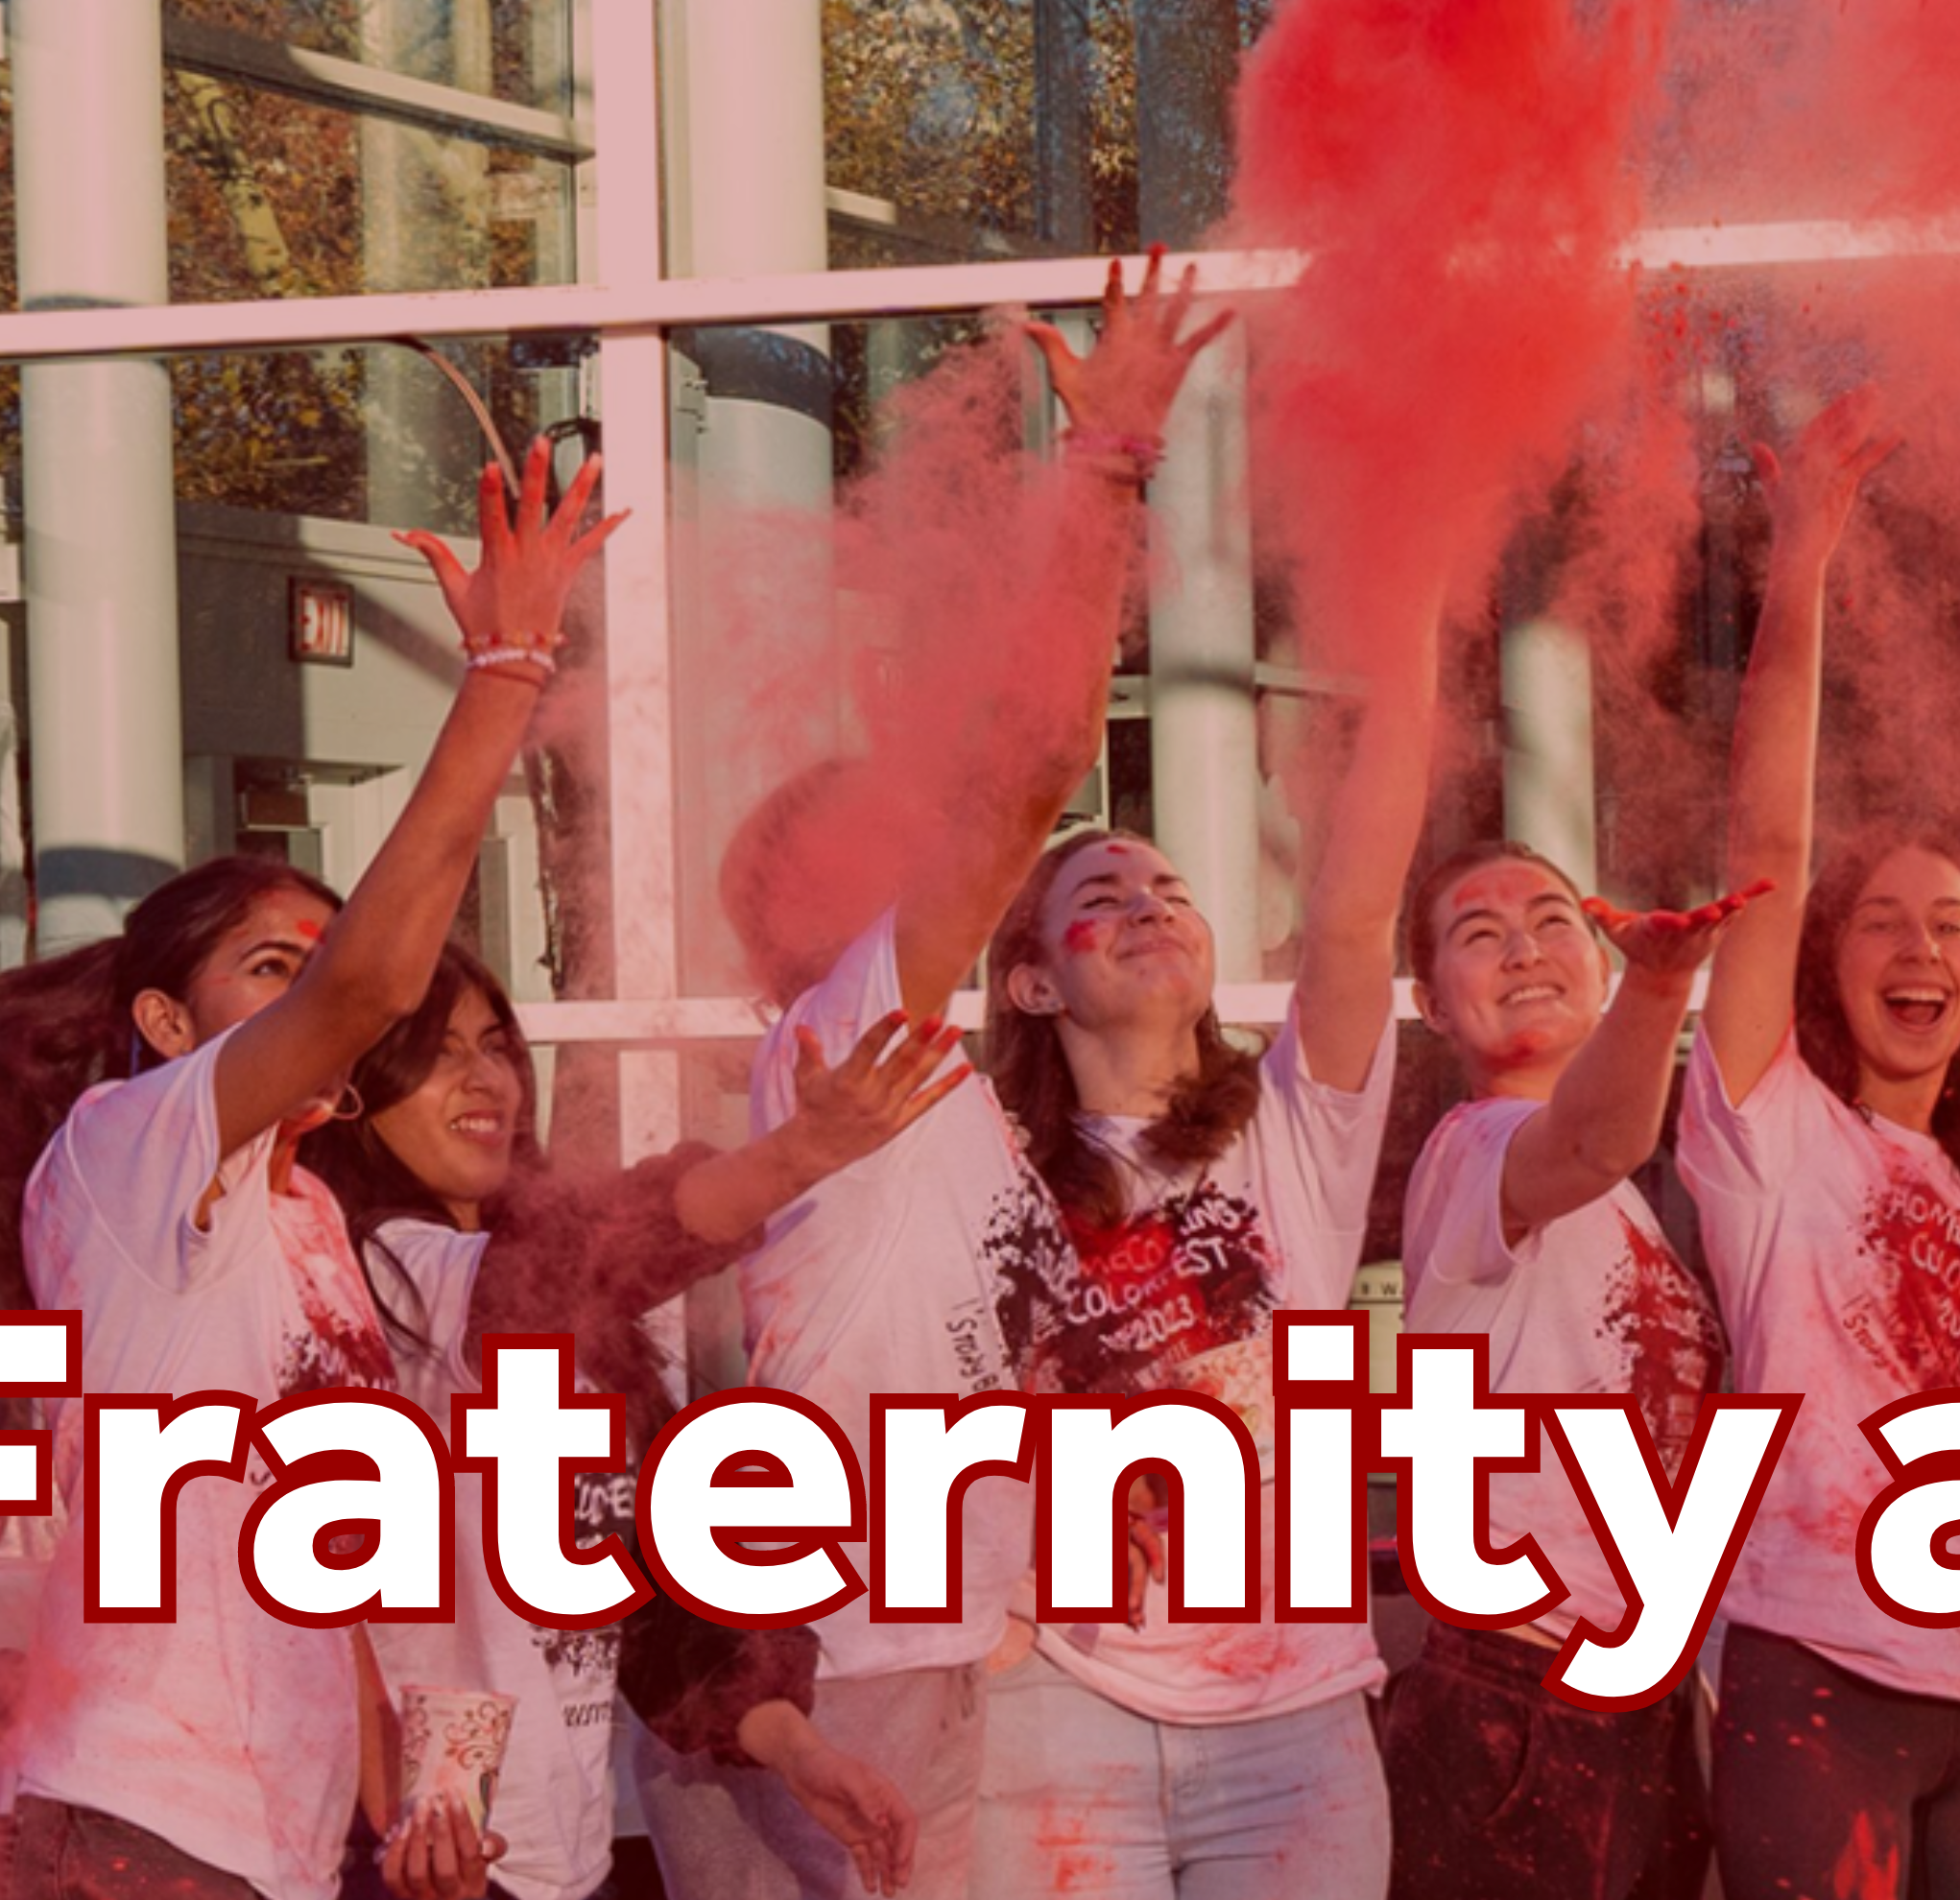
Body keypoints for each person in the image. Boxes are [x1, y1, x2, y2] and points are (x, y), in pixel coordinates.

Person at [0, 431, 609, 1900]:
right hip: (122, 1819)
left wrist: (409, 1818)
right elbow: (369, 987)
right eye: (270, 969)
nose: (314, 990)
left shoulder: (305, 1215)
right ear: (167, 1021)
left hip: (259, 1850)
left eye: (314, 961)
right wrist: (505, 675)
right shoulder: (128, 1145)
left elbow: (333, 1575)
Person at [694, 262, 1220, 1900]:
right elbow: (1032, 761)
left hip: (925, 1641)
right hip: (850, 1660)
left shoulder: (931, 1098)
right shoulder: (851, 1025)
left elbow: (982, 1327)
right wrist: (1108, 469)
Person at [956, 335, 1432, 1899]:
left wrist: (1411, 581)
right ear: (1028, 986)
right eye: (1104, 893)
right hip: (1054, 1705)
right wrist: (1098, 482)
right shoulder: (971, 1157)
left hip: (1291, 1721)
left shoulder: (1287, 1135)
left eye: (1170, 885)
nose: (1153, 899)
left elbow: (1358, 913)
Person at [298, 945, 954, 1900]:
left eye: (495, 1046)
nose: (484, 1080)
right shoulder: (382, 1278)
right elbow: (600, 1252)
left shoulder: (541, 1300)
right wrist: (797, 1154)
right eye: (435, 1053)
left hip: (559, 1855)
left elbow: (655, 1593)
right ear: (358, 1093)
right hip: (414, 1860)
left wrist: (804, 1755)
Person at [1678, 394, 1960, 1900]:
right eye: (1882, 920)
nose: (1918, 949)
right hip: (1818, 1671)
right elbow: (1760, 853)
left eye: (1951, 929)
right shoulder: (1771, 1135)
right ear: (1821, 961)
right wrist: (1803, 568)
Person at [1370, 839, 1754, 1900]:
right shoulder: (1474, 1149)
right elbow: (1592, 1140)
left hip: (1632, 1698)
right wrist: (1664, 984)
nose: (1523, 951)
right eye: (1477, 935)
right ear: (1431, 1003)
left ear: (1589, 964)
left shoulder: (1633, 1209)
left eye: (1551, 923)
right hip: (1514, 1698)